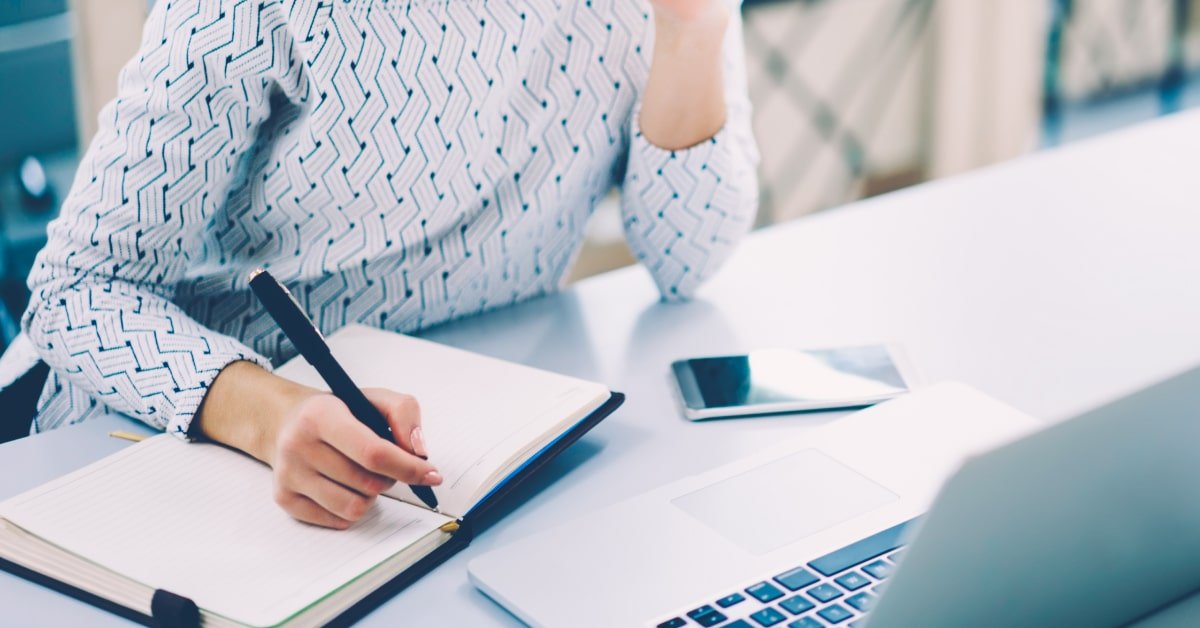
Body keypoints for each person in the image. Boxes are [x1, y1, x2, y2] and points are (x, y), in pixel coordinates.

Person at [14, 0, 758, 528]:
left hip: (451, 458)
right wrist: (269, 414)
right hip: (155, 439)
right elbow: (77, 291)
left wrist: (692, 26)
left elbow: (687, 256)